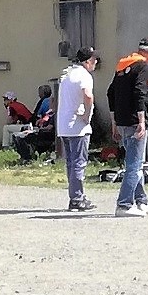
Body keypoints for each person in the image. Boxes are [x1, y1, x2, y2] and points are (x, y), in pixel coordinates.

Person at [108, 37, 148, 217]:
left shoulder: (122, 66)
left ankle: (141, 200)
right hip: (134, 121)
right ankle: (123, 205)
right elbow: (140, 93)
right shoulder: (143, 67)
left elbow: (110, 93)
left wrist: (113, 121)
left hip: (122, 121)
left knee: (134, 162)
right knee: (135, 165)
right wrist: (141, 121)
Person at [57, 47, 99, 212]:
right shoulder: (84, 76)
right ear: (87, 61)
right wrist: (87, 115)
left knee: (71, 163)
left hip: (64, 124)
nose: (95, 63)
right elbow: (88, 96)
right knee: (79, 163)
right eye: (94, 60)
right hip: (78, 126)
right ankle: (77, 198)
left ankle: (75, 195)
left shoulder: (67, 74)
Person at [12, 85, 56, 163]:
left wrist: (36, 130)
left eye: (51, 102)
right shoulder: (49, 114)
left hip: (46, 134)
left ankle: (27, 158)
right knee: (19, 134)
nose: (49, 103)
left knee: (23, 137)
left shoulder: (54, 115)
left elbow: (49, 127)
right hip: (42, 130)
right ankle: (25, 156)